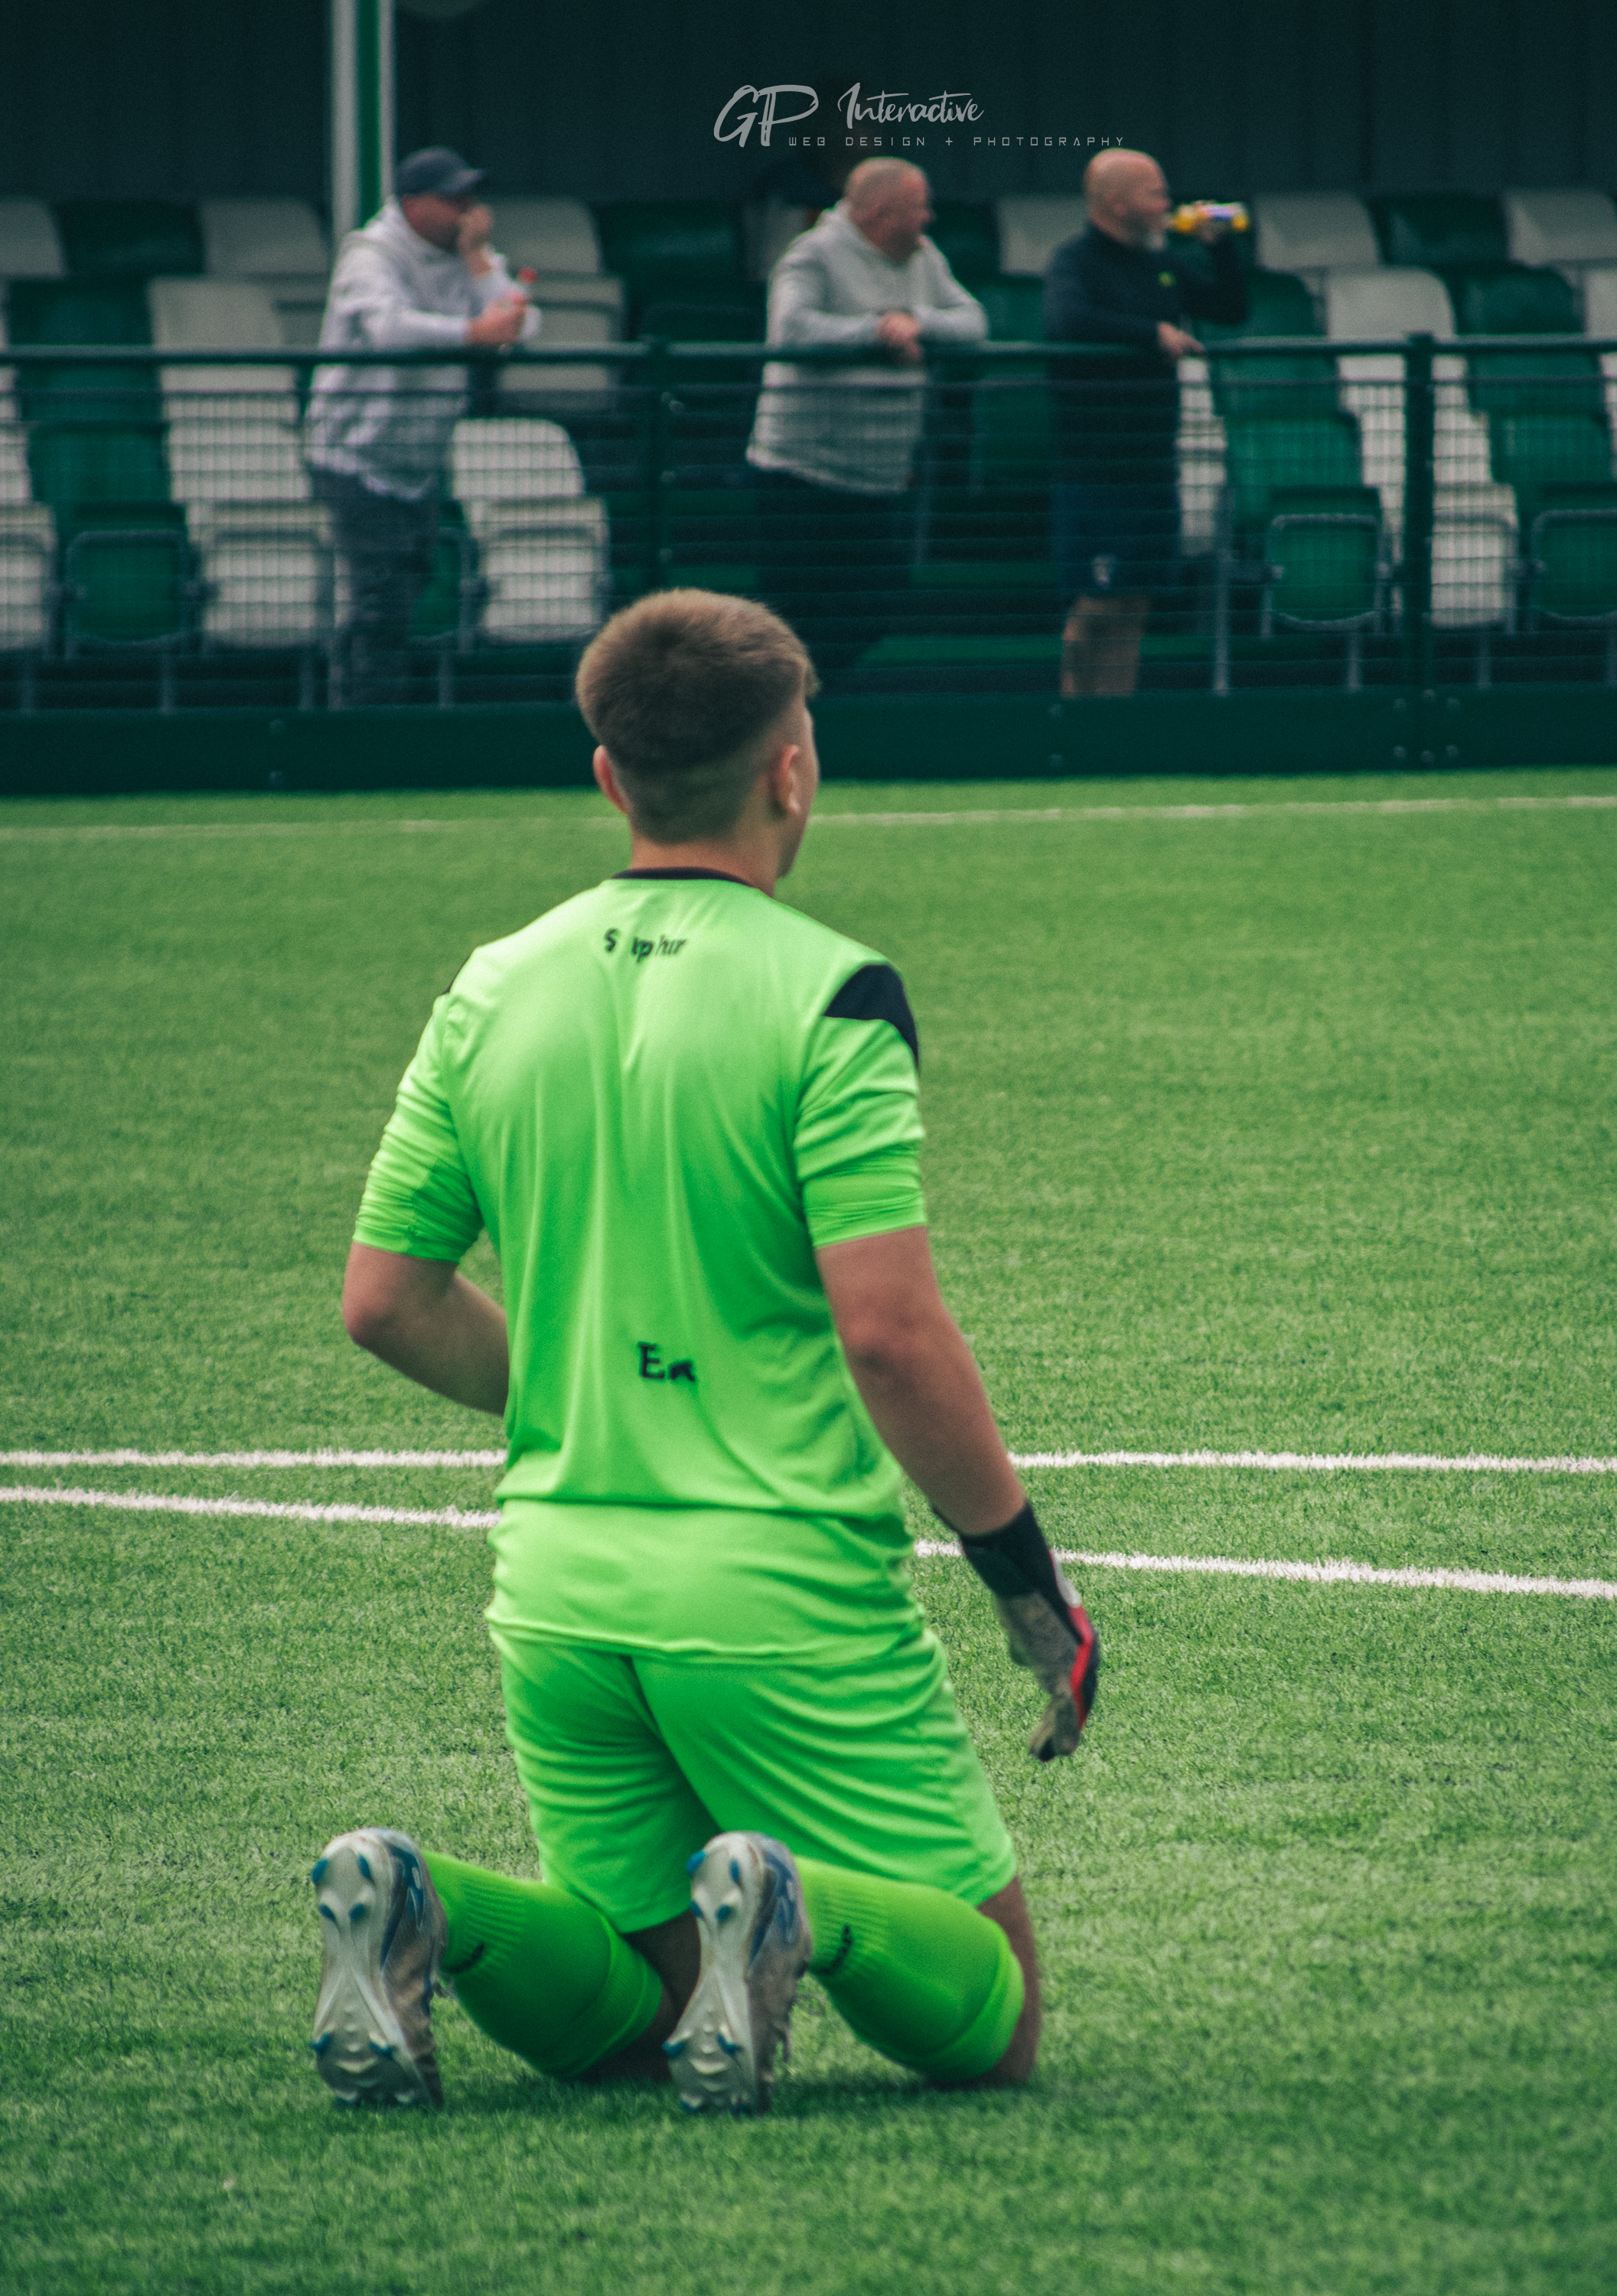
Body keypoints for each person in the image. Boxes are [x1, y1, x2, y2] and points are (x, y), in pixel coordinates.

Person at [311, 588, 1100, 2116]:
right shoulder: (833, 993)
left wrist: (574, 1392)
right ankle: (800, 1902)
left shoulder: (491, 983)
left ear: (610, 777)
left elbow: (385, 1299)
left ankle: (423, 1899)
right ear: (791, 769)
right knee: (996, 2022)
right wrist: (1026, 1582)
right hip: (774, 1599)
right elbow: (888, 1333)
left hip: (561, 1595)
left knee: (643, 2012)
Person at [305, 147, 536, 705]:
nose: (467, 211)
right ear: (412, 205)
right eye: (452, 199)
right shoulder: (370, 253)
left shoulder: (468, 254)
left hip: (417, 463)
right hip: (352, 456)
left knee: (408, 585)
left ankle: (375, 708)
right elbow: (388, 329)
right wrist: (472, 334)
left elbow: (521, 328)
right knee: (377, 594)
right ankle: (359, 719)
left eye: (470, 197)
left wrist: (479, 262)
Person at [747, 159, 988, 681]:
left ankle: (815, 696)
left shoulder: (924, 256)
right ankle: (786, 711)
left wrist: (916, 322)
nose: (929, 218)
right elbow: (790, 330)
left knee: (878, 604)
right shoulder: (812, 253)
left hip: (880, 477)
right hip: (802, 474)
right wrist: (878, 331)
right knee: (791, 616)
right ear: (880, 214)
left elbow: (973, 322)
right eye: (919, 208)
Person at [1044, 148, 1247, 697]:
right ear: (1117, 203)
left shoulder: (1161, 262)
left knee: (1135, 602)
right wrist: (1151, 333)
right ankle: (1074, 711)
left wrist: (1220, 248)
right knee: (1097, 601)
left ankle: (1115, 721)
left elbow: (1230, 308)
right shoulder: (1074, 261)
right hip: (1095, 467)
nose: (1166, 204)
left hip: (1154, 462)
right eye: (1156, 193)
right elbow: (1068, 320)